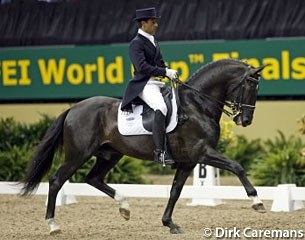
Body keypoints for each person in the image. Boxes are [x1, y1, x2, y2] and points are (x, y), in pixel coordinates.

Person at [121, 7, 178, 165]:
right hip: (144, 84)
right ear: (143, 23)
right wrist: (165, 71)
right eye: (153, 22)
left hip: (157, 83)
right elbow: (142, 68)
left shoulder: (153, 40)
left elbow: (159, 62)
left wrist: (167, 72)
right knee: (161, 107)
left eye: (156, 21)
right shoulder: (136, 44)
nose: (156, 25)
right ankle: (160, 152)